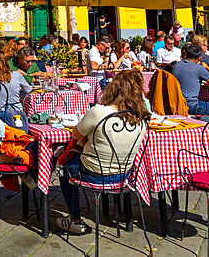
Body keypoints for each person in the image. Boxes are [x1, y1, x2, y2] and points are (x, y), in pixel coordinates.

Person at [55, 69, 148, 235]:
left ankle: (74, 219)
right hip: (124, 175)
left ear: (113, 88)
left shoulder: (98, 111)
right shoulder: (141, 117)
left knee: (64, 169)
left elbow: (76, 134)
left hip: (94, 173)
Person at [170, 44, 209, 116]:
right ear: (200, 58)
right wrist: (208, 68)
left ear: (186, 54)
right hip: (191, 106)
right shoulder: (198, 68)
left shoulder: (176, 65)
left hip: (177, 104)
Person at [0, 55, 31, 120]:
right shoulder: (17, 75)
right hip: (17, 112)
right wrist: (17, 96)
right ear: (8, 62)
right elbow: (28, 90)